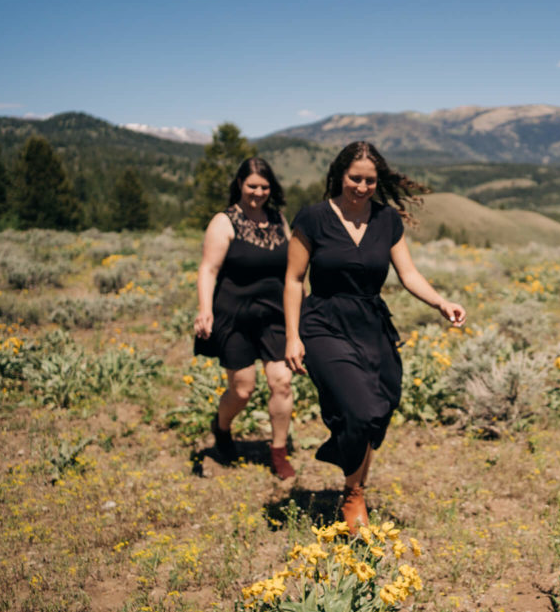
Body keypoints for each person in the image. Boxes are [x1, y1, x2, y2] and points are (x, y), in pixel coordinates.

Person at [284, 141, 466, 531]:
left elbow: (409, 274)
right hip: (324, 323)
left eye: (369, 180)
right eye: (355, 178)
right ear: (339, 175)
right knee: (360, 409)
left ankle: (355, 480)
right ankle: (353, 495)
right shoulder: (313, 218)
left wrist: (440, 303)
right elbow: (294, 279)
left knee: (378, 409)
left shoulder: (387, 220)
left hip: (371, 324)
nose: (362, 187)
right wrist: (291, 336)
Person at [194, 157, 297, 481]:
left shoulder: (279, 220)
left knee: (281, 382)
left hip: (275, 316)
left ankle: (278, 452)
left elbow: (293, 270)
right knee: (242, 390)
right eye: (252, 185)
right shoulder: (224, 222)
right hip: (234, 315)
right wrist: (204, 309)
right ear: (240, 184)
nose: (258, 192)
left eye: (264, 186)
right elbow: (208, 269)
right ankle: (222, 429)